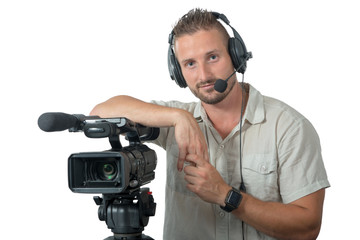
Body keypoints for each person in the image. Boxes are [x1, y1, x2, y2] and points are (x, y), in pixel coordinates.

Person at [90, 8, 330, 240]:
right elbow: (100, 112)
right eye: (190, 64)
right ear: (177, 71)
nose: (203, 75)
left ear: (236, 56)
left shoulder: (289, 127)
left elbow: (307, 227)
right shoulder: (172, 118)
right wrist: (178, 117)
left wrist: (226, 195)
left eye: (212, 57)